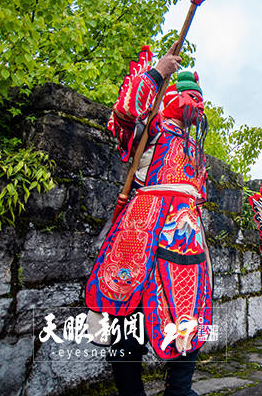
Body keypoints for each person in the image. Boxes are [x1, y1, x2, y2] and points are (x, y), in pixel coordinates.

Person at [85, 45, 213, 396]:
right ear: (172, 96)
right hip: (142, 229)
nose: (199, 105)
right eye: (192, 97)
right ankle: (131, 392)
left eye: (201, 100)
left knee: (190, 310)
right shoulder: (152, 126)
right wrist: (157, 73)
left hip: (185, 238)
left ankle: (179, 389)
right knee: (127, 312)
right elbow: (125, 113)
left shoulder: (195, 148)